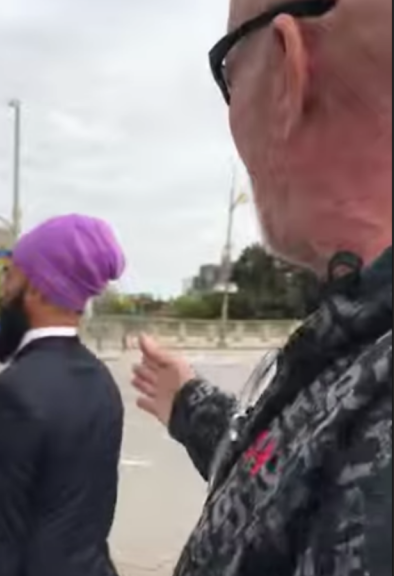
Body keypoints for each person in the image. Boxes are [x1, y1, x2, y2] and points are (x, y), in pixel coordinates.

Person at [131, 1, 392, 575]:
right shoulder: (362, 336)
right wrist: (191, 406)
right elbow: (294, 474)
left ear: (287, 67)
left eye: (229, 72)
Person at [0, 214, 127, 576]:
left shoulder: (9, 396)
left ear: (35, 288)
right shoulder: (102, 381)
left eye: (11, 275)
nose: (4, 290)